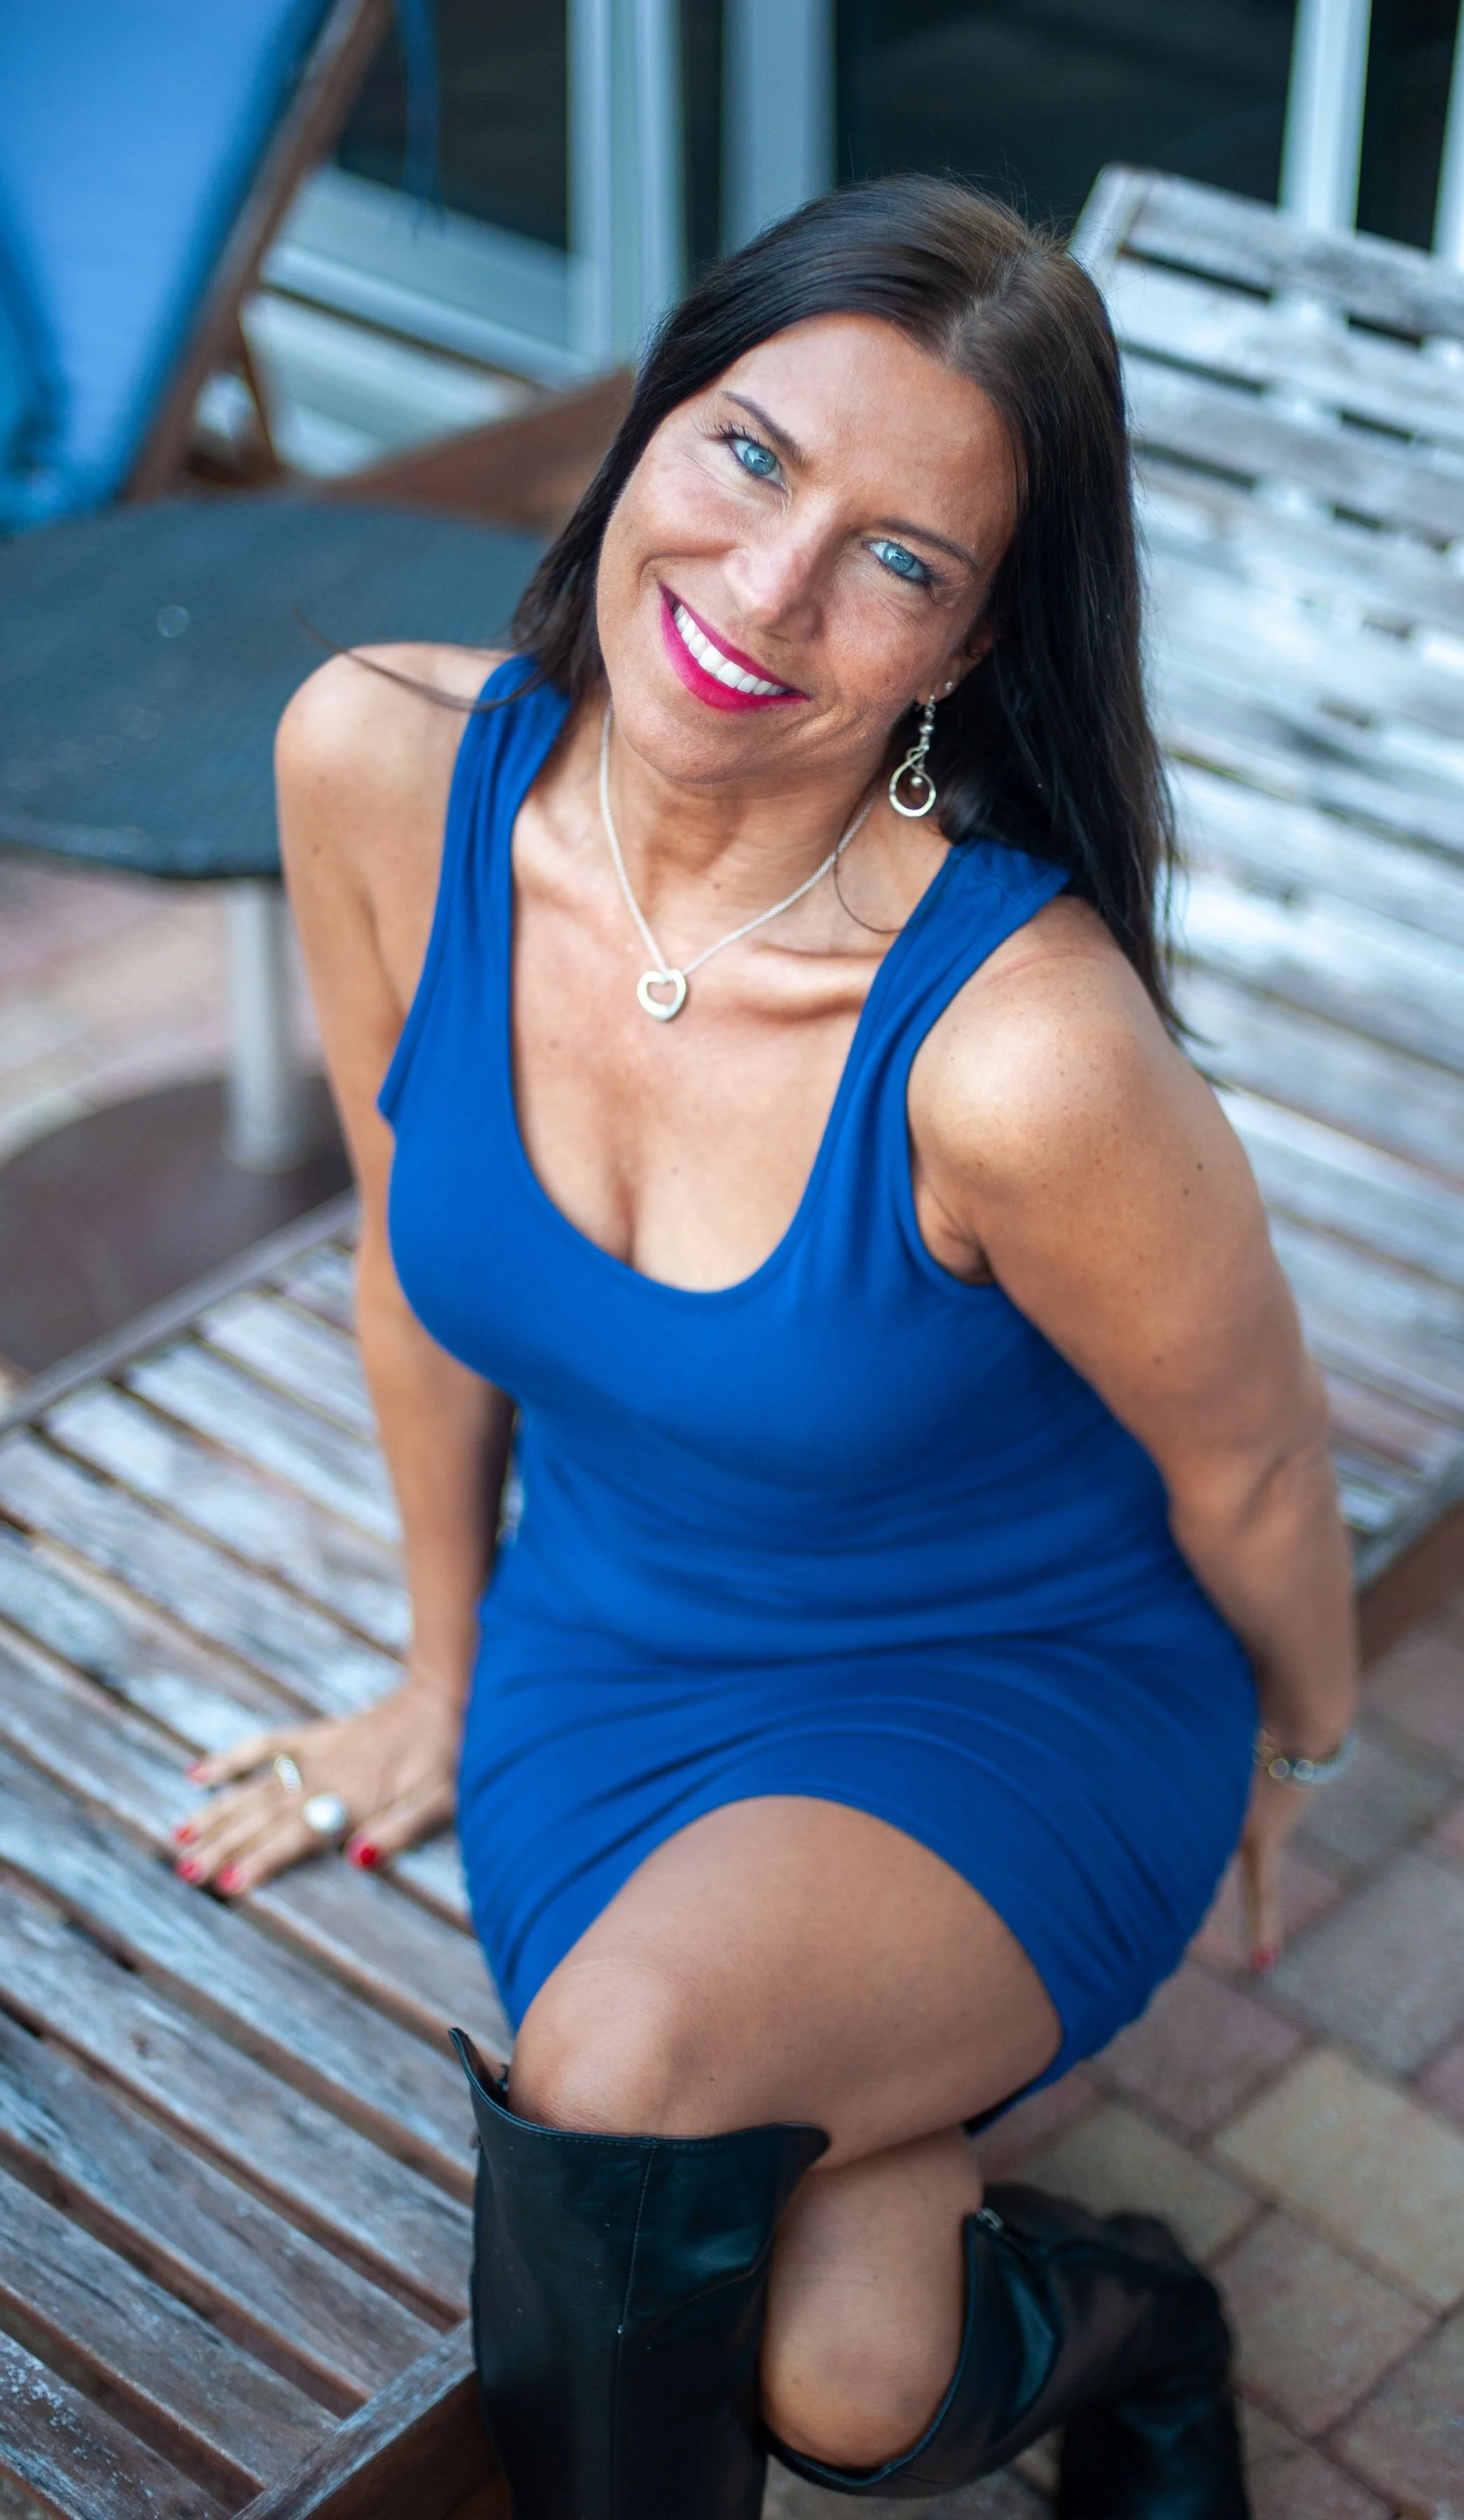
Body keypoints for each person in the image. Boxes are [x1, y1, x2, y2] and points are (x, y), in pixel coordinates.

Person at [175, 176, 1358, 2519]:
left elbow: (1252, 1460)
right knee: (850, 2375)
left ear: (968, 646)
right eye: (748, 453)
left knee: (619, 2079)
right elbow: (415, 1256)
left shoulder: (1020, 1056)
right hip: (604, 1670)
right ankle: (1139, 2322)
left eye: (897, 559)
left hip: (1015, 1693)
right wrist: (437, 1675)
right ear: (650, 421)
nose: (768, 586)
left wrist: (1297, 1742)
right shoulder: (380, 764)